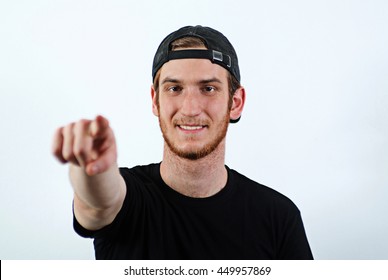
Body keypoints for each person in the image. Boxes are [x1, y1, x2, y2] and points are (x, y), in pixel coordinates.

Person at [52, 25, 313, 260]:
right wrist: (90, 166)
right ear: (155, 101)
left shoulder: (278, 216)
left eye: (208, 88)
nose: (190, 108)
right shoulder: (130, 201)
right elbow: (99, 201)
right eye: (174, 89)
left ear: (235, 103)